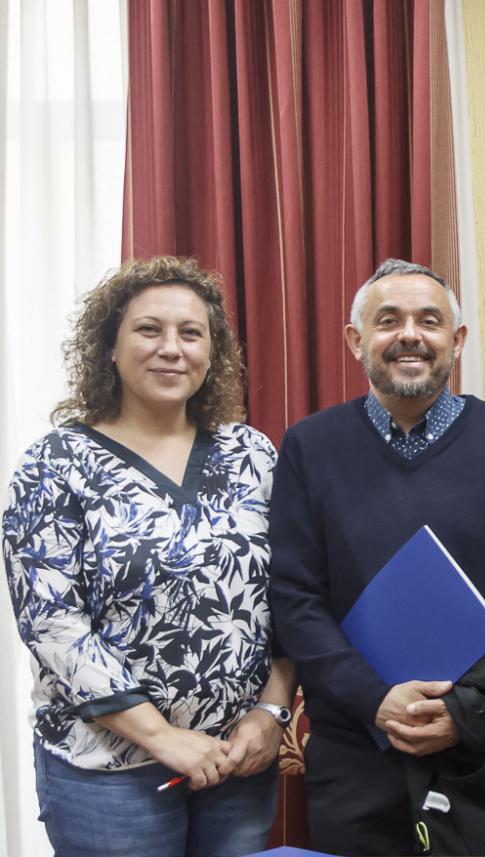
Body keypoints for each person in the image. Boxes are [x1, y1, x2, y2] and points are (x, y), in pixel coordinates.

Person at [268, 258, 485, 856]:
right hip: (357, 754)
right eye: (388, 321)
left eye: (429, 321)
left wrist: (465, 710)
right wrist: (375, 700)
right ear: (356, 340)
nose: (410, 335)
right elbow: (295, 599)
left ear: (457, 340)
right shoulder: (309, 446)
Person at [2, 256, 295, 857]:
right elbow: (53, 623)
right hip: (107, 774)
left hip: (237, 762)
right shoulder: (55, 463)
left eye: (191, 333)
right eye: (148, 329)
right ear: (109, 347)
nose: (171, 349)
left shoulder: (252, 454)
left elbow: (294, 592)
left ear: (212, 353)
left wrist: (272, 711)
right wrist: (162, 736)